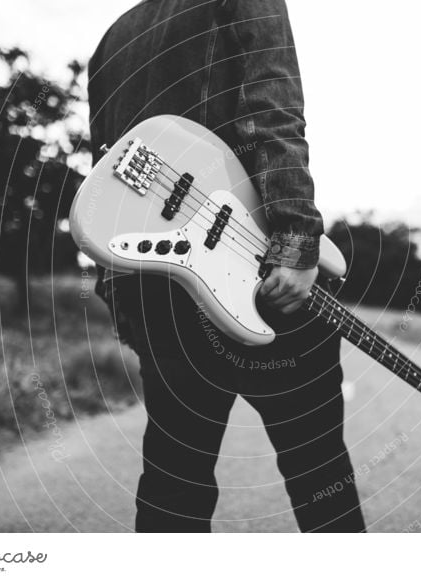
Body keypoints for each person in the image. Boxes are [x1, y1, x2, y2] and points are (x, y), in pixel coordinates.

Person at [87, 0, 366, 532]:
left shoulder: (112, 39)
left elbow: (107, 169)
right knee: (319, 472)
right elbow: (272, 108)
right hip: (253, 263)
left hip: (150, 275)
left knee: (175, 479)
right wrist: (296, 240)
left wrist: (115, 283)